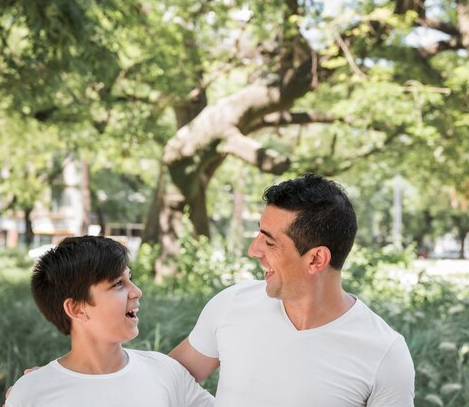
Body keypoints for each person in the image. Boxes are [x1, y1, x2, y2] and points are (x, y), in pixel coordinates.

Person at [169, 174, 415, 406]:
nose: (253, 250)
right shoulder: (231, 305)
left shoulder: (385, 354)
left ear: (316, 259)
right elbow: (166, 383)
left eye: (269, 241)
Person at [5, 235, 214, 407]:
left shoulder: (166, 372)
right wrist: (34, 388)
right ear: (76, 308)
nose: (137, 292)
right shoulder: (32, 392)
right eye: (117, 284)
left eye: (130, 278)